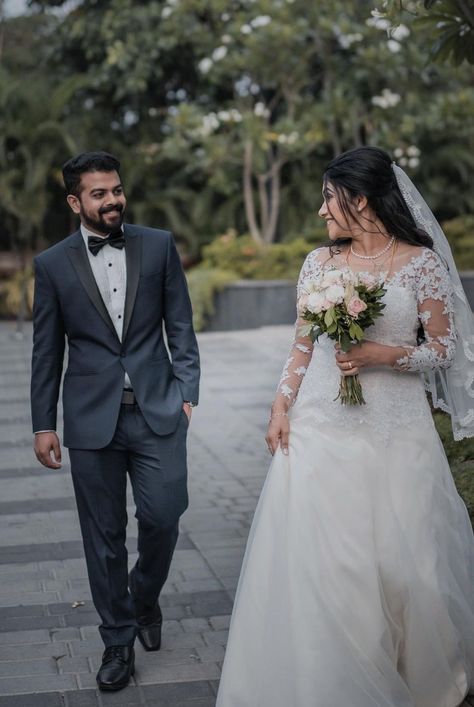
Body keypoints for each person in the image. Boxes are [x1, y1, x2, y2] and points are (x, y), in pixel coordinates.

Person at [216, 146, 474, 707]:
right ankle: (334, 682)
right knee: (336, 567)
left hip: (399, 429)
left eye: (328, 198)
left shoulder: (421, 262)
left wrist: (384, 355)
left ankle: (417, 678)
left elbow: (445, 348)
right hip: (322, 426)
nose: (320, 211)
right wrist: (281, 406)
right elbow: (302, 345)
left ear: (360, 199)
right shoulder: (320, 264)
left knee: (411, 569)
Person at [30, 151, 200, 692]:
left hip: (157, 409)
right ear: (75, 201)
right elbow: (45, 351)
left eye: (116, 190)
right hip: (90, 419)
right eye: (99, 194)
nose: (112, 201)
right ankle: (117, 640)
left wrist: (187, 393)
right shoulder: (52, 264)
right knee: (102, 538)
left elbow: (181, 325)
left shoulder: (157, 244)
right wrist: (43, 423)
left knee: (165, 513)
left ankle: (144, 597)